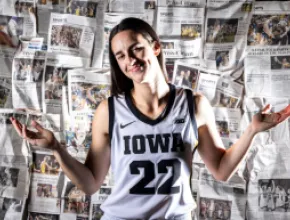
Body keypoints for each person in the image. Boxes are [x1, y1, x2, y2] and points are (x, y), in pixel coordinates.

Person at [10, 17, 290, 219]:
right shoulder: (109, 111)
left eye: (136, 48)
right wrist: (56, 149)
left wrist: (252, 130)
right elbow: (92, 183)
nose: (129, 59)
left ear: (155, 47)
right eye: (120, 55)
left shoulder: (193, 104)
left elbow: (221, 169)